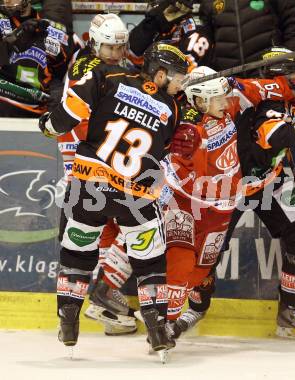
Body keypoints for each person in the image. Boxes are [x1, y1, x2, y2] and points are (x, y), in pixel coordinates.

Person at [170, 48, 295, 341]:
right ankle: (196, 307)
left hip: (269, 182)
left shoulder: (271, 95)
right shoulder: (259, 102)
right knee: (208, 254)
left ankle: (290, 309)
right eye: (292, 75)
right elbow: (273, 136)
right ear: (274, 76)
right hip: (230, 189)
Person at [38, 43, 188, 356]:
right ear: (159, 74)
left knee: (78, 251)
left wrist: (48, 125)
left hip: (89, 184)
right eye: (177, 77)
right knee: (150, 260)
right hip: (135, 192)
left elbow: (68, 115)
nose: (180, 84)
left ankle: (68, 314)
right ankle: (157, 326)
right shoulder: (172, 109)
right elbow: (160, 151)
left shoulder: (107, 77)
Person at [55, 13, 138, 337]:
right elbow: (84, 119)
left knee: (103, 229)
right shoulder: (89, 71)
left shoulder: (105, 66)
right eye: (110, 47)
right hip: (90, 158)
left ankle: (102, 306)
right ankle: (82, 306)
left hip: (97, 156)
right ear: (95, 43)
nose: (117, 53)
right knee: (133, 221)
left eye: (121, 47)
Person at [0, 0, 76, 117]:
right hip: (5, 103)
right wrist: (12, 42)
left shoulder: (52, 26)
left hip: (39, 110)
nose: (7, 1)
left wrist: (59, 89)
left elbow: (63, 69)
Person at [199, 0, 295, 74]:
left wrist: (289, 63)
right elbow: (205, 37)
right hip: (228, 80)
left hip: (269, 75)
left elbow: (294, 25)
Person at [129, 0, 213, 68]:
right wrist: (151, 25)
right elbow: (131, 55)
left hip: (174, 84)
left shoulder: (196, 32)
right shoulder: (155, 24)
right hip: (147, 79)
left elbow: (184, 72)